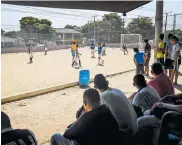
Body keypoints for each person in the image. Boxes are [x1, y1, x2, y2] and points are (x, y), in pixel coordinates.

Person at [51, 88, 122, 145]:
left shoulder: (86, 117)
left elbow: (67, 134)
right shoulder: (107, 109)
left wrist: (79, 120)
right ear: (99, 100)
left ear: (85, 103)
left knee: (55, 137)